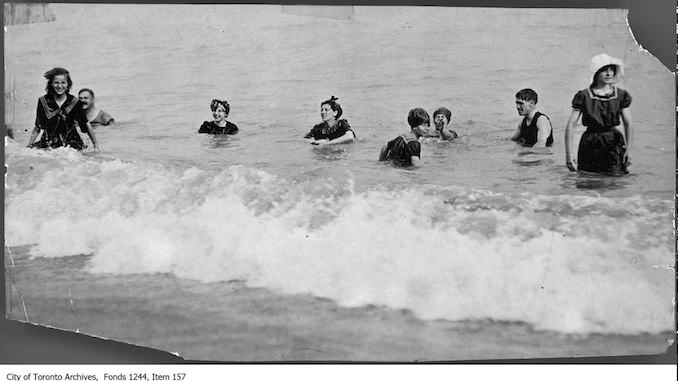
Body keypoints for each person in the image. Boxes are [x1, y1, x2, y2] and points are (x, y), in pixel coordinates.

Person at [565, 53, 632, 174]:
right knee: (588, 179)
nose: (608, 73)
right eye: (604, 70)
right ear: (596, 73)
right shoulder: (584, 96)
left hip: (613, 142)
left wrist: (629, 150)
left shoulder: (621, 95)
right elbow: (571, 125)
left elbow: (628, 123)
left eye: (611, 69)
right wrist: (569, 154)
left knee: (615, 181)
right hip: (590, 142)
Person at [27, 67, 99, 150]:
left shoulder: (74, 102)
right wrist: (30, 145)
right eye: (56, 83)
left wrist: (96, 146)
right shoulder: (43, 101)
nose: (60, 86)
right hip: (49, 143)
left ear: (68, 84)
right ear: (51, 84)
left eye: (63, 83)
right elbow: (37, 127)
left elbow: (86, 124)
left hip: (71, 145)